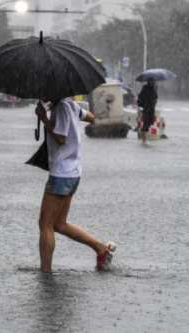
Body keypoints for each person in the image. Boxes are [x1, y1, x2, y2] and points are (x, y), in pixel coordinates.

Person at [35, 98, 116, 272]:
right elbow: (92, 117)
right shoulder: (71, 105)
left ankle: (45, 272)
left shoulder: (63, 107)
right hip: (72, 172)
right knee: (59, 224)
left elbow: (61, 138)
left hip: (62, 173)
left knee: (46, 224)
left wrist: (44, 119)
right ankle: (100, 248)